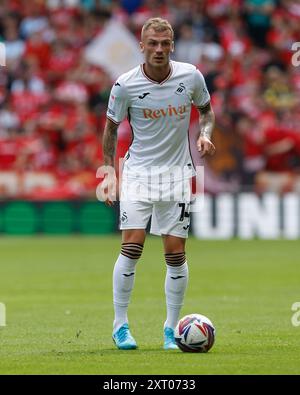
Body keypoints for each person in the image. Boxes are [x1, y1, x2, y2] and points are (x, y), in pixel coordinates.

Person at [102, 17, 215, 350]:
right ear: (142, 46)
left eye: (165, 43)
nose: (159, 49)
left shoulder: (190, 76)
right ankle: (120, 325)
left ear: (172, 45)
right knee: (132, 246)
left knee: (175, 253)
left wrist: (206, 134)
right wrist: (109, 172)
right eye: (153, 43)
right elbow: (110, 128)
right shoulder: (125, 85)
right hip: (138, 172)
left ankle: (171, 329)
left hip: (178, 174)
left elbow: (207, 111)